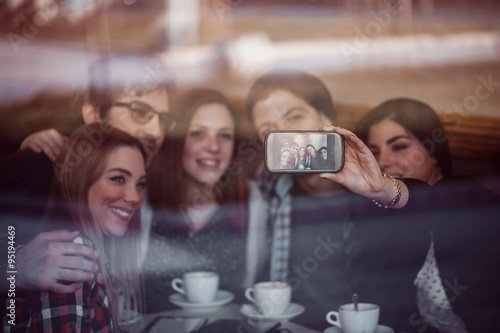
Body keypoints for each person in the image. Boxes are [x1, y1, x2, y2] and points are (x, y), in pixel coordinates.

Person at [243, 68, 418, 331]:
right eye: (268, 129)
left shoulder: (369, 181)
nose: (284, 134)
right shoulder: (270, 185)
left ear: (325, 117)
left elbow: (422, 205)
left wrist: (381, 190)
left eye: (294, 116)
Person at [0, 54, 174, 298]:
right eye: (139, 112)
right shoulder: (40, 166)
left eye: (164, 120)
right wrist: (12, 266)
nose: (156, 132)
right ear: (93, 115)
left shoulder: (143, 188)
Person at [354, 97, 500, 332]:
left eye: (399, 146)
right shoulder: (384, 217)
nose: (383, 162)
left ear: (434, 151)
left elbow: (428, 198)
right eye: (374, 153)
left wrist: (386, 189)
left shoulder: (466, 196)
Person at [3, 123, 147, 332]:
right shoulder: (74, 254)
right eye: (118, 178)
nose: (135, 197)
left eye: (140, 184)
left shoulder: (83, 246)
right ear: (81, 180)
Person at [143, 88, 249, 313]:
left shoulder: (253, 205)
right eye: (198, 133)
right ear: (176, 141)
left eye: (225, 135)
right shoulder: (140, 201)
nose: (214, 147)